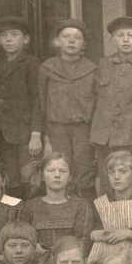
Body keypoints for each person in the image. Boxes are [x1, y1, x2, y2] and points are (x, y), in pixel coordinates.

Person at [90, 16, 132, 192]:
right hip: (105, 137)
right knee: (106, 180)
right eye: (120, 35)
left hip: (131, 135)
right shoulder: (103, 64)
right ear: (112, 40)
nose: (125, 39)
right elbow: (93, 96)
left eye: (130, 35)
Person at [39, 19, 97, 198]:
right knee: (60, 169)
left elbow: (97, 104)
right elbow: (41, 103)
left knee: (85, 172)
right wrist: (46, 138)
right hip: (56, 129)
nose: (71, 41)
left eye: (77, 37)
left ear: (84, 44)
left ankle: (86, 209)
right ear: (57, 41)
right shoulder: (47, 68)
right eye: (66, 36)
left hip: (83, 130)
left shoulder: (92, 69)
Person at [0, 15, 43, 195]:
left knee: (30, 179)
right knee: (11, 182)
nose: (8, 39)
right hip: (3, 136)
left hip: (25, 134)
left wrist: (36, 134)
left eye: (14, 34)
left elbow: (38, 100)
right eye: (4, 35)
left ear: (26, 39)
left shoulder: (32, 64)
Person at [87, 150, 132, 264]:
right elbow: (94, 232)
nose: (116, 177)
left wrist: (129, 233)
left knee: (119, 247)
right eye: (112, 172)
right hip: (107, 254)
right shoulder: (100, 203)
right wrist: (93, 234)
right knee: (99, 245)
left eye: (122, 171)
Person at [17, 152, 95, 254]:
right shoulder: (29, 207)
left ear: (70, 177)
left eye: (63, 171)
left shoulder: (81, 206)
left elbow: (83, 242)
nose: (57, 175)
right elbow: (24, 241)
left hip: (69, 260)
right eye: (51, 171)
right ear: (42, 176)